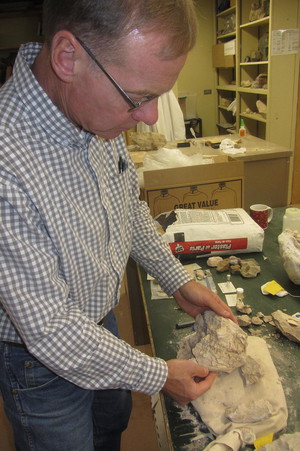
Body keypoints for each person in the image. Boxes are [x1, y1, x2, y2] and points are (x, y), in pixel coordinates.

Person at [0, 1, 236, 450]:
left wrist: (178, 280)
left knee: (113, 421)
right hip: (38, 361)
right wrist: (158, 374)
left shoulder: (95, 114)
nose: (148, 118)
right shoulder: (6, 160)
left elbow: (128, 206)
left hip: (99, 321)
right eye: (139, 98)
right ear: (68, 58)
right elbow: (49, 329)